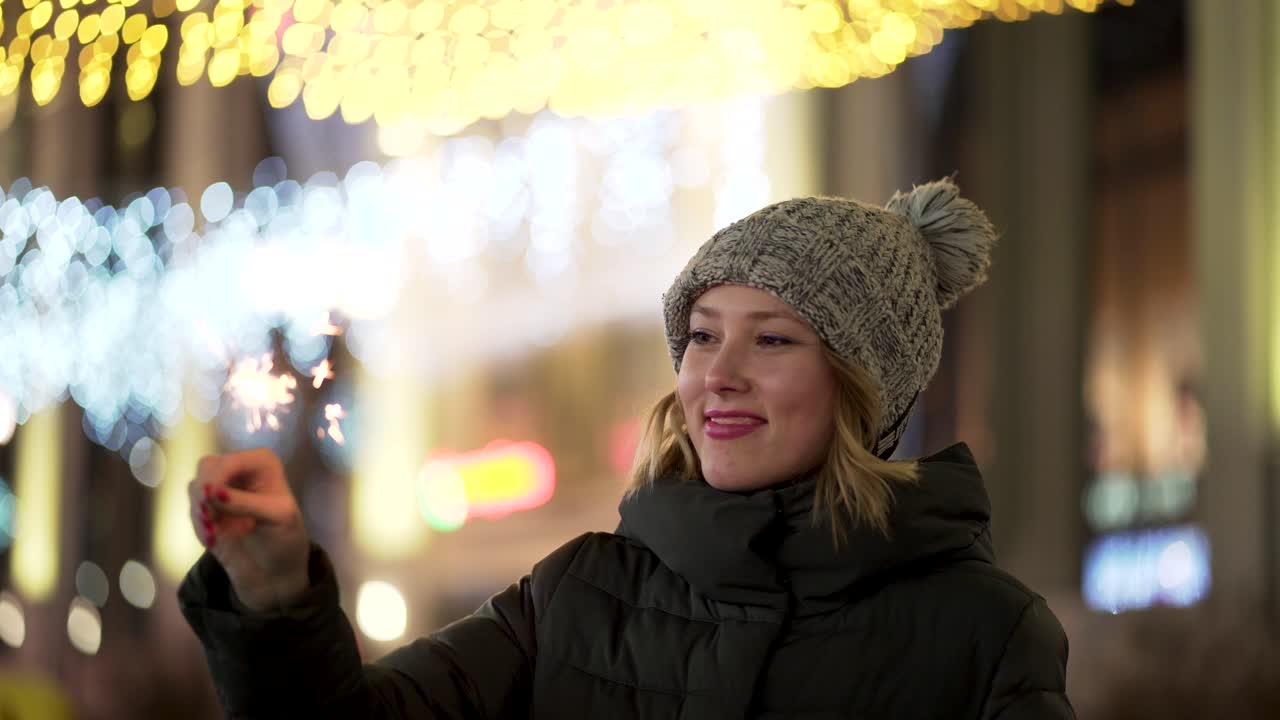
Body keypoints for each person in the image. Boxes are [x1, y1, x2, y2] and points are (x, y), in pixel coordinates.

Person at [180, 178, 1074, 719]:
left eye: (771, 340)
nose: (715, 374)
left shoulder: (986, 634)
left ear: (861, 386)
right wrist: (272, 598)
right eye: (701, 335)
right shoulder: (578, 595)